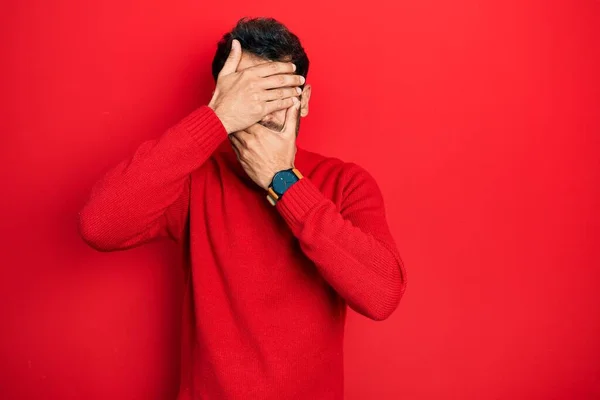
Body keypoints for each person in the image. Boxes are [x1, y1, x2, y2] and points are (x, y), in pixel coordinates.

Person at [78, 16, 407, 400]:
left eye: (277, 93)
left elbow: (383, 294)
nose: (263, 112)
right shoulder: (194, 180)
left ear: (304, 102)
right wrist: (213, 120)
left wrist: (283, 182)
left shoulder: (345, 182)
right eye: (249, 96)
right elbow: (100, 225)